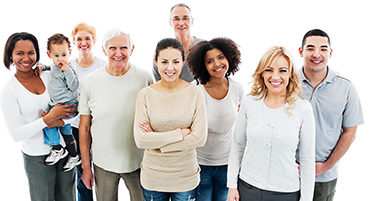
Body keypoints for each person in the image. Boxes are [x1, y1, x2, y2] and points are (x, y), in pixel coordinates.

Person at [227, 46, 316, 201]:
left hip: (285, 193)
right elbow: (237, 146)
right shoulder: (249, 102)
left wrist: (307, 199)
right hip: (247, 188)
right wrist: (232, 186)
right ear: (262, 73)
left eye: (282, 70)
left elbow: (307, 159)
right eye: (269, 69)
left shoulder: (303, 109)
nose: (275, 76)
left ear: (290, 74)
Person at [79, 27, 154, 201]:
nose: (118, 53)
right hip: (103, 162)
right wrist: (86, 167)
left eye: (123, 48)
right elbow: (84, 128)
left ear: (132, 50)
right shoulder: (91, 81)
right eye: (112, 48)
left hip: (139, 161)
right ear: (105, 50)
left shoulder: (145, 78)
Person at [0, 32, 77, 201]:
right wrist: (47, 120)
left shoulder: (49, 75)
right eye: (20, 53)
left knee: (69, 198)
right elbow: (16, 134)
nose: (26, 58)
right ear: (10, 55)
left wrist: (61, 120)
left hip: (65, 151)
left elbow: (72, 106)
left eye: (31, 52)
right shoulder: (9, 89)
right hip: (37, 157)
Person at [134, 38, 207, 201]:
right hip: (153, 178)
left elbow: (200, 138)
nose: (170, 68)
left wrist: (158, 143)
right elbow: (141, 140)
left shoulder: (195, 93)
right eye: (164, 62)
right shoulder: (145, 95)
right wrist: (180, 133)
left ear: (183, 62)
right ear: (156, 62)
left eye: (175, 61)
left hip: (185, 178)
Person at [297, 29, 364, 201]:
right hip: (288, 173)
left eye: (323, 49)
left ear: (330, 52)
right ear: (301, 51)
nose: (316, 54)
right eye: (310, 48)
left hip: (324, 177)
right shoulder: (286, 83)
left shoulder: (346, 88)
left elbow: (350, 132)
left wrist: (326, 166)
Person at [186, 37, 244, 201]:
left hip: (227, 163)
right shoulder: (195, 89)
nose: (217, 64)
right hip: (200, 163)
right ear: (202, 65)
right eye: (209, 61)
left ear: (229, 58)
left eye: (220, 57)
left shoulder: (237, 88)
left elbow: (241, 124)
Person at [70, 22, 107, 201]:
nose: (83, 42)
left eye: (87, 38)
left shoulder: (103, 64)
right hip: (77, 127)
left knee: (102, 171)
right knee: (82, 171)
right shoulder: (68, 67)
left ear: (94, 41)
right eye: (79, 39)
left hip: (100, 126)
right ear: (74, 42)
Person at [43, 33, 81, 172]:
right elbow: (52, 69)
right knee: (66, 131)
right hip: (56, 104)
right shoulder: (54, 66)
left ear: (70, 53)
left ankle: (57, 148)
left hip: (68, 105)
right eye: (56, 56)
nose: (60, 60)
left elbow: (74, 86)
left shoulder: (69, 68)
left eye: (64, 55)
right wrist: (42, 66)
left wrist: (68, 72)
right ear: (49, 55)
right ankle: (73, 155)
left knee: (48, 123)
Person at [152, 3, 203, 82]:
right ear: (170, 23)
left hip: (199, 93)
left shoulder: (203, 46)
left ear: (192, 21)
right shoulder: (163, 49)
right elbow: (158, 80)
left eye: (185, 18)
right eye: (176, 19)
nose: (181, 23)